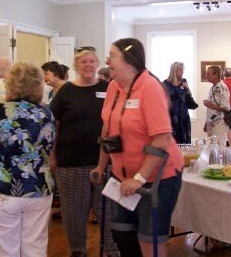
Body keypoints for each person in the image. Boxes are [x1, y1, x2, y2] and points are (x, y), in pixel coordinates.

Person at [92, 38, 183, 257]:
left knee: (148, 240)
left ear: (129, 61)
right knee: (122, 233)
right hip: (122, 177)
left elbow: (161, 138)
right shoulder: (113, 86)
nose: (106, 60)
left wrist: (139, 178)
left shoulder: (149, 87)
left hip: (158, 178)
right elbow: (108, 127)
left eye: (112, 55)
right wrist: (100, 165)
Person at [0, 62, 55, 256]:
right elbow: (50, 155)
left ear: (10, 84)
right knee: (35, 246)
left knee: (5, 249)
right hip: (40, 189)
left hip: (4, 190)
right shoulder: (46, 114)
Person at [50, 47, 118, 257]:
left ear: (98, 64)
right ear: (76, 65)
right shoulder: (66, 91)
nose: (88, 65)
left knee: (108, 213)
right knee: (73, 214)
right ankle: (78, 250)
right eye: (84, 62)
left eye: (92, 61)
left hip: (107, 163)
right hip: (71, 164)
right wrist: (52, 156)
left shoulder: (110, 88)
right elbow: (54, 126)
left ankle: (111, 250)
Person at [163, 62, 194, 144]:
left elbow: (189, 95)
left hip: (184, 116)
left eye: (183, 70)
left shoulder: (184, 82)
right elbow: (162, 99)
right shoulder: (166, 84)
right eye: (180, 70)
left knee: (184, 142)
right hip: (171, 116)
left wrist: (186, 88)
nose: (182, 72)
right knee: (172, 142)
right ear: (174, 71)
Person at [203, 65, 231, 150]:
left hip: (219, 123)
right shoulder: (213, 88)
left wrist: (210, 105)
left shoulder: (223, 88)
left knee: (219, 147)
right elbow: (211, 109)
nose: (206, 76)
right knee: (212, 147)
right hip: (211, 123)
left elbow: (226, 108)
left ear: (216, 75)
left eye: (208, 74)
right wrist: (206, 123)